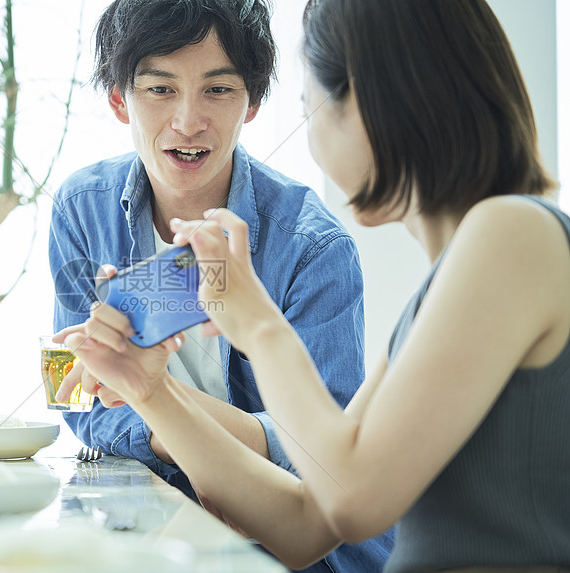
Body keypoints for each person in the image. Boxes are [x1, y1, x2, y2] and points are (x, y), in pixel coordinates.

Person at [60, 0, 570, 571]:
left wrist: (255, 321)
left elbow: (350, 499)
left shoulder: (513, 232)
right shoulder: (460, 273)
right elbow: (305, 527)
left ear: (377, 104)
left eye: (311, 106)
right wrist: (151, 391)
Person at [47, 0, 394, 570]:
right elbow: (73, 389)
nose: (187, 121)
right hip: (151, 522)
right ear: (118, 99)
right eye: (160, 89)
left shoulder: (312, 245)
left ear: (253, 103)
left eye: (217, 90)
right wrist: (166, 420)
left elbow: (319, 449)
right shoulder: (82, 207)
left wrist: (152, 403)